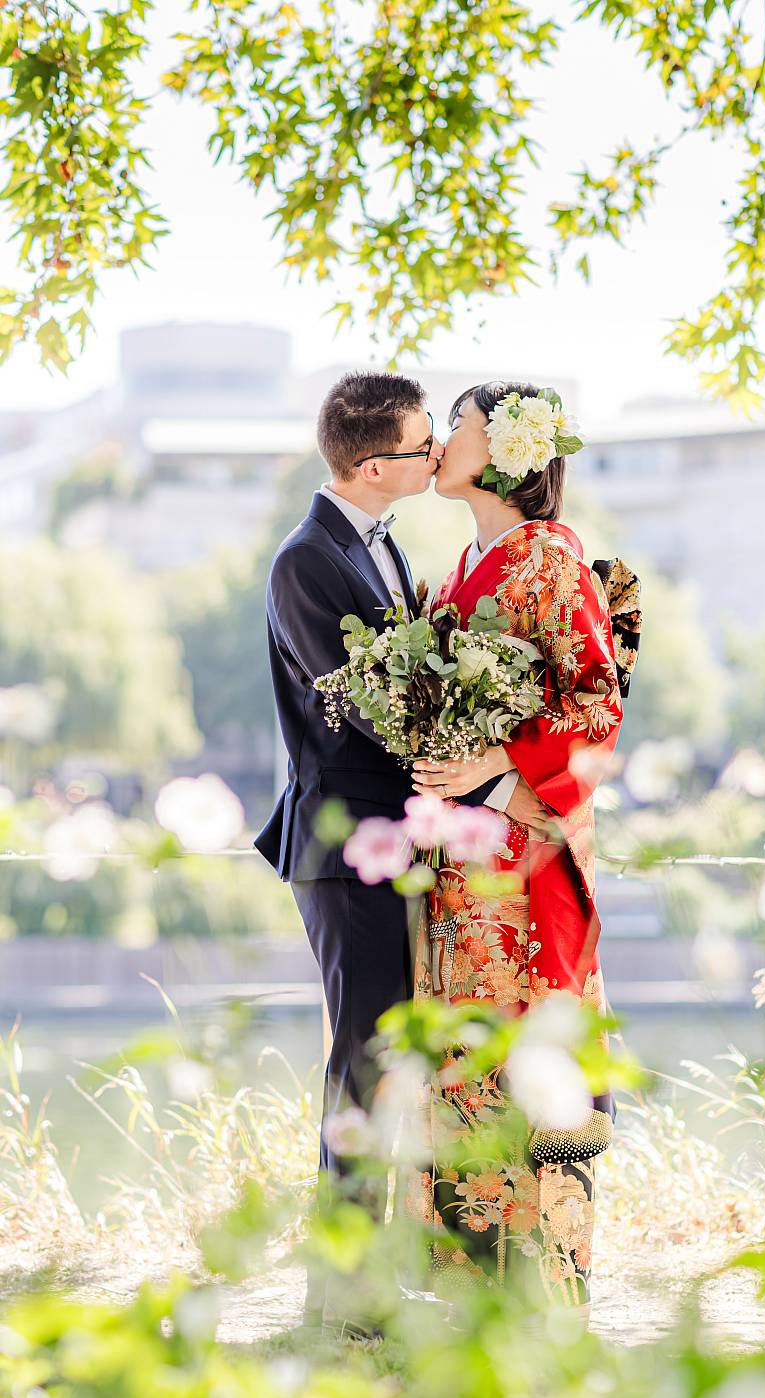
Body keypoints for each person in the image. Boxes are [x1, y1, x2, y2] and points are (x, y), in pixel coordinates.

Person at [254, 370, 554, 1331]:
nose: (435, 457)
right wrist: (459, 741)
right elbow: (352, 708)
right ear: (375, 465)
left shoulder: (383, 549)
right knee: (364, 1064)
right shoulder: (306, 562)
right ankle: (340, 1296)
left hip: (394, 845)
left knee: (392, 1063)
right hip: (344, 850)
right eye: (425, 446)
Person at [408, 381, 641, 1314]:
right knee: (464, 1061)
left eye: (455, 427)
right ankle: (472, 1304)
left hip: (521, 860)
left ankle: (543, 1301)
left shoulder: (545, 558)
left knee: (526, 1062)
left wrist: (493, 763)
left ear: (502, 451)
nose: (438, 444)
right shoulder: (465, 560)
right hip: (464, 867)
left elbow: (595, 705)